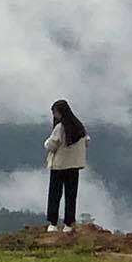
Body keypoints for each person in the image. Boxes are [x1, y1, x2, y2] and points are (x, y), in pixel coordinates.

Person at [44, 98, 89, 233]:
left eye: (55, 113)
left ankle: (52, 223)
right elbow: (86, 141)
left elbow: (51, 145)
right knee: (71, 195)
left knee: (55, 195)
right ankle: (68, 224)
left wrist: (46, 143)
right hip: (74, 166)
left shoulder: (60, 128)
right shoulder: (79, 126)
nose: (54, 116)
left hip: (59, 166)